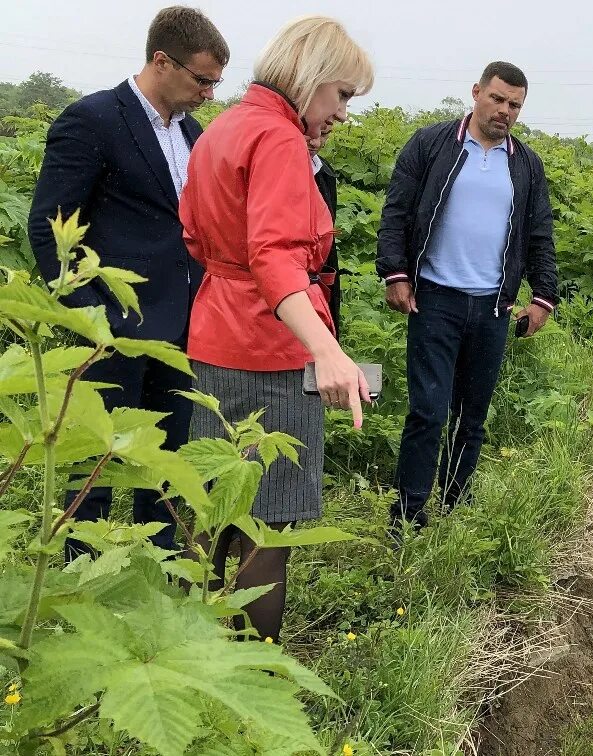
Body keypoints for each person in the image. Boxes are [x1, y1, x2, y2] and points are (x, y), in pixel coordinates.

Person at [179, 16, 373, 642]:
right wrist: (328, 351)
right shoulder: (282, 140)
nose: (342, 112)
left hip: (213, 337)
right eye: (341, 94)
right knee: (270, 526)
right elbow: (275, 256)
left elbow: (194, 235)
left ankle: (191, 651)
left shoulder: (223, 129)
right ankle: (255, 674)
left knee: (214, 510)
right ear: (311, 77)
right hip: (272, 351)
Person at [27, 6, 229, 557]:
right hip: (113, 331)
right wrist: (93, 319)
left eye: (216, 83)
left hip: (184, 329)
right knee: (94, 459)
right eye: (202, 79)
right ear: (162, 61)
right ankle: (73, 573)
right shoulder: (92, 119)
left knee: (163, 464)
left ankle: (155, 569)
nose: (209, 94)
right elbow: (49, 231)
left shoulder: (192, 132)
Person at [376, 61, 559, 532]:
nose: (504, 111)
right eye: (497, 99)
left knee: (471, 416)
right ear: (477, 92)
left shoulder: (525, 164)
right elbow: (397, 210)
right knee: (428, 411)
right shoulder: (432, 144)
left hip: (493, 306)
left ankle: (455, 505)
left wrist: (543, 296)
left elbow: (540, 233)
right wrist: (395, 273)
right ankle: (408, 518)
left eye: (514, 105)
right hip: (435, 299)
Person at [309, 132, 342, 337]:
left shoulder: (324, 171)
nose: (316, 142)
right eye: (310, 134)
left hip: (320, 283)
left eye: (324, 134)